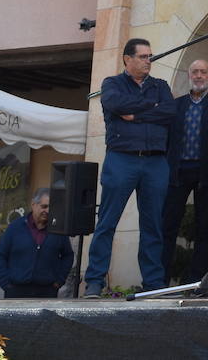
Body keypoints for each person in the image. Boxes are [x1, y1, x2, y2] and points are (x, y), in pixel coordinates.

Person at [83, 37, 177, 297]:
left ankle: (154, 283)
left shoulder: (160, 86)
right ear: (128, 59)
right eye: (143, 56)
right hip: (122, 158)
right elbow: (116, 104)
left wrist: (136, 114)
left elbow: (169, 112)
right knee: (107, 221)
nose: (149, 61)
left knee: (153, 224)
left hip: (156, 160)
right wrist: (151, 108)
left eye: (150, 56)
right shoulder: (112, 84)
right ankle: (94, 281)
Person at [161, 58, 208, 285]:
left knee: (204, 227)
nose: (198, 76)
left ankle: (197, 280)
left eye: (203, 72)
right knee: (168, 225)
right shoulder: (177, 105)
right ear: (189, 75)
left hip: (206, 172)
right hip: (177, 171)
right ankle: (160, 279)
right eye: (194, 72)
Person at [0, 188, 74, 298]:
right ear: (33, 204)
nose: (48, 211)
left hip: (47, 292)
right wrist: (5, 283)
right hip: (16, 291)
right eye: (44, 206)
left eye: (51, 207)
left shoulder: (57, 230)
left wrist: (59, 281)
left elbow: (68, 255)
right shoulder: (15, 228)